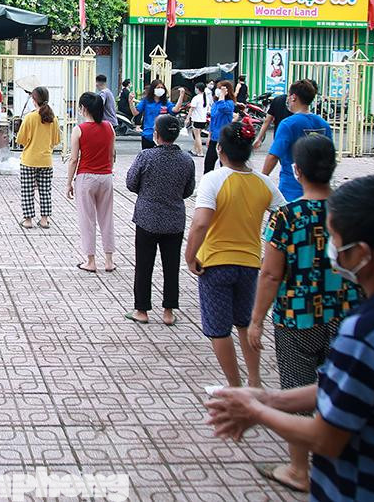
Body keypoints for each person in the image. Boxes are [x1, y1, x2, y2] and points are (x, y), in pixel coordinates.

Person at [206, 175, 374, 502]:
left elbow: (326, 438)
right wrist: (267, 398)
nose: (331, 249)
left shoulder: (367, 332)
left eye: (334, 239)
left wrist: (255, 412)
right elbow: (346, 387)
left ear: (362, 255)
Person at [246, 135, 362, 493]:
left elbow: (270, 273)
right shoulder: (350, 213)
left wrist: (256, 319)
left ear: (296, 171)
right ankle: (340, 460)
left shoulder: (288, 215)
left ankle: (299, 468)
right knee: (342, 390)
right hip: (345, 316)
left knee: (297, 388)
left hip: (296, 316)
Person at [185, 122, 285, 387]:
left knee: (219, 330)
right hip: (250, 264)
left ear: (220, 149)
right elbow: (283, 216)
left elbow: (201, 223)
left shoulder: (213, 179)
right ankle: (254, 382)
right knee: (245, 324)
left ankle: (234, 387)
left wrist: (190, 255)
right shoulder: (264, 184)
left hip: (215, 264)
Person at [126, 115, 196, 326]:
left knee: (144, 264)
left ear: (156, 133)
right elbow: (188, 190)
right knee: (171, 265)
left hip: (147, 217)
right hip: (174, 219)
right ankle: (168, 311)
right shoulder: (186, 160)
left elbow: (131, 183)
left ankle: (142, 310)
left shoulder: (146, 156)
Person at [67, 92, 116, 274]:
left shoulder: (79, 129)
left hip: (86, 177)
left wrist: (68, 182)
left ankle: (91, 260)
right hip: (105, 176)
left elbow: (73, 159)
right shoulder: (109, 127)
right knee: (106, 218)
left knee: (87, 220)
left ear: (83, 108)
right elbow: (111, 155)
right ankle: (109, 260)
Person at [263, 79, 332, 201]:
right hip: (319, 191)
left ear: (294, 97)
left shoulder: (288, 124)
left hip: (291, 189)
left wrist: (262, 179)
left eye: (289, 97)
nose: (288, 100)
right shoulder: (324, 124)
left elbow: (274, 155)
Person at [16, 86, 62, 230]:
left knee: (28, 191)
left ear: (34, 100)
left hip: (29, 160)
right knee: (45, 191)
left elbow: (21, 140)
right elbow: (56, 140)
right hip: (46, 161)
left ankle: (28, 220)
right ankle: (44, 220)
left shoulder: (30, 117)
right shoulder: (52, 118)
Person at [127, 78, 186, 149]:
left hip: (162, 136)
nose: (160, 89)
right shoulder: (146, 101)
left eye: (162, 88)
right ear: (153, 89)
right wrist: (130, 102)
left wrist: (181, 96)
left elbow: (175, 110)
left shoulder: (165, 102)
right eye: (158, 87)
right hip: (148, 135)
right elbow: (135, 113)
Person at [205, 80, 236, 174]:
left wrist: (222, 95)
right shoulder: (215, 104)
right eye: (218, 88)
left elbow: (224, 108)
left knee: (225, 165)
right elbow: (212, 121)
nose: (218, 90)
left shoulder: (229, 103)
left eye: (221, 88)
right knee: (208, 163)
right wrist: (209, 136)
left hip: (224, 138)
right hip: (214, 138)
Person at [186, 81, 209, 157]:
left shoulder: (196, 98)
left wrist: (187, 118)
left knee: (197, 136)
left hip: (196, 119)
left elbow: (191, 109)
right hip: (203, 120)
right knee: (197, 135)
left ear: (198, 89)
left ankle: (200, 152)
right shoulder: (206, 98)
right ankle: (194, 150)